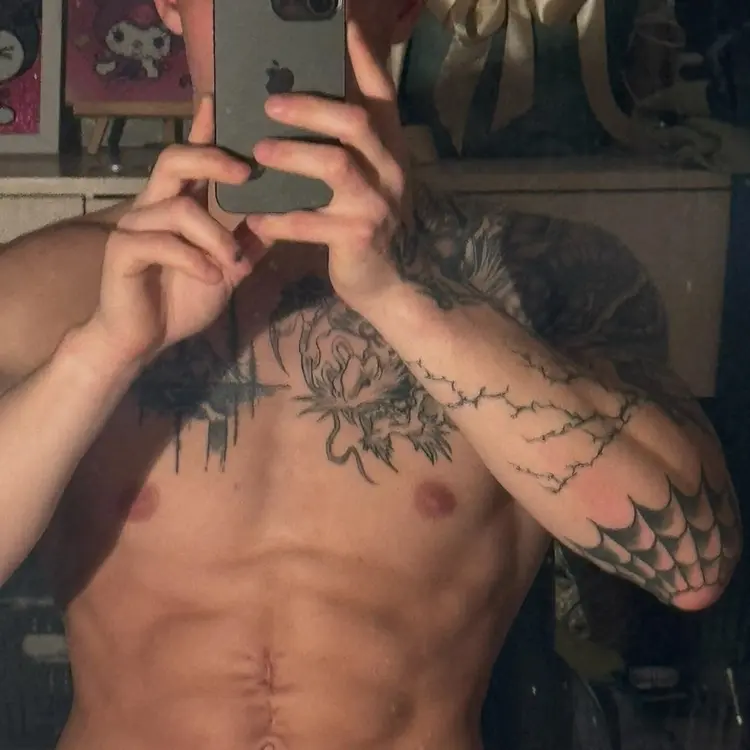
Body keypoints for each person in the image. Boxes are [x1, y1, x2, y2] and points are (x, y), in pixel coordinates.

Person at [0, 0, 742, 748]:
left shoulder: (542, 275)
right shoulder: (52, 286)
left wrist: (405, 299)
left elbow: (695, 565)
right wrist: (101, 354)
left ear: (406, 8)